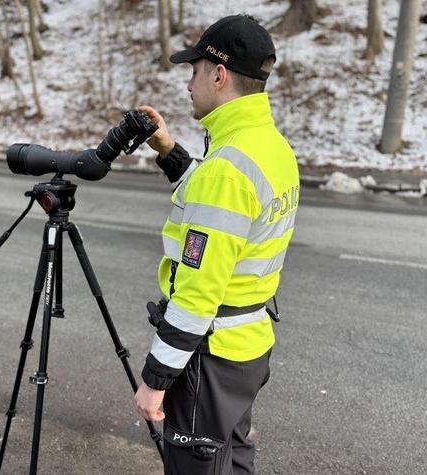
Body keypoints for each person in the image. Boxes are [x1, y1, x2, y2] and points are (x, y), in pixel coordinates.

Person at [133, 14, 300, 475]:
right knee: (232, 461)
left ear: (219, 74)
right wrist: (170, 151)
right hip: (247, 348)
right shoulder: (269, 146)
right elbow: (223, 207)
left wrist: (155, 380)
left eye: (194, 71)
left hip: (210, 359)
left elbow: (198, 292)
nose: (189, 84)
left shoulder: (226, 168)